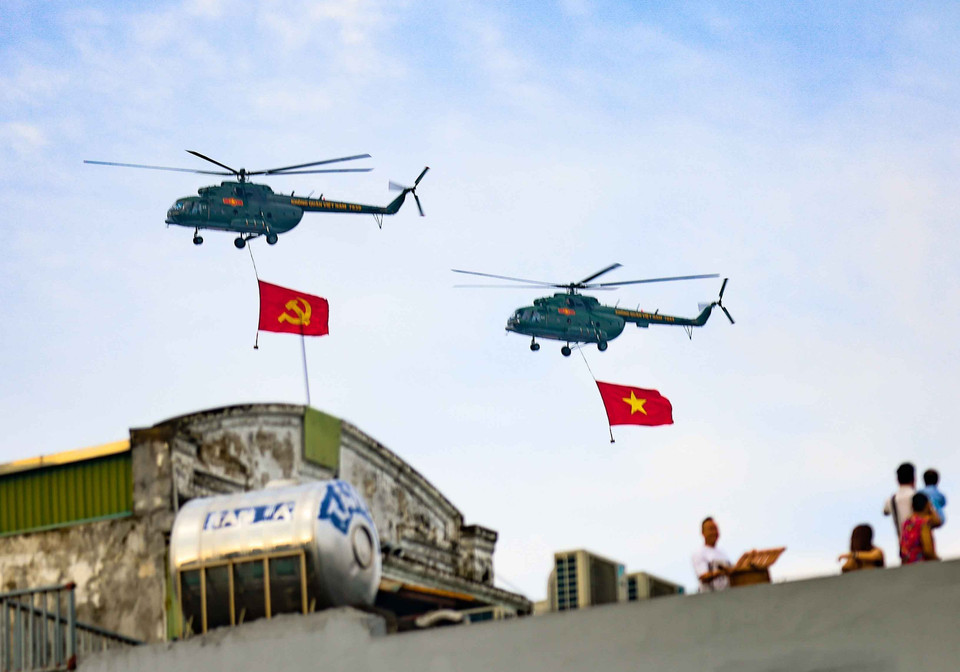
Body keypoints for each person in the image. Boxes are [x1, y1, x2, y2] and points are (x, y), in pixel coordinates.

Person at [692, 517, 732, 592]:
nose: (714, 532)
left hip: (727, 595)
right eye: (711, 529)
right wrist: (723, 572)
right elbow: (703, 577)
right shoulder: (699, 553)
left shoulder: (724, 553)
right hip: (710, 597)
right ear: (703, 533)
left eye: (716, 529)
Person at [900, 493, 939, 564]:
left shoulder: (906, 523)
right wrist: (939, 561)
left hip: (907, 565)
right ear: (927, 505)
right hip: (922, 565)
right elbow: (928, 551)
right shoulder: (923, 524)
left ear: (912, 506)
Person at [883, 462, 916, 543]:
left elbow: (885, 511)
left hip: (902, 544)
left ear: (897, 480)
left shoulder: (891, 500)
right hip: (919, 544)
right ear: (914, 478)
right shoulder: (917, 496)